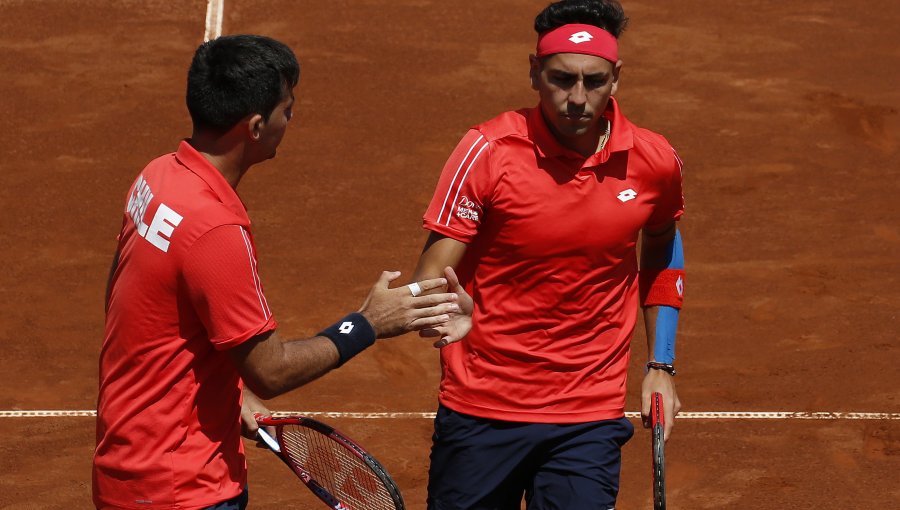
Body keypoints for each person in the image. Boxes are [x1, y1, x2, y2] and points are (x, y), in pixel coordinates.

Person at [92, 34, 460, 510]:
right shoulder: (216, 228)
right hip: (183, 487)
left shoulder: (157, 177)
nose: (292, 119)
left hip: (125, 469)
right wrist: (368, 323)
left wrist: (228, 392)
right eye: (288, 109)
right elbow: (271, 369)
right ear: (257, 125)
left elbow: (133, 302)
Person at [412, 1, 686, 508]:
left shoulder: (654, 162)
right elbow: (431, 275)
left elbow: (662, 246)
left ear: (616, 78)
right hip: (483, 406)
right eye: (561, 79)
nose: (578, 99)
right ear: (535, 72)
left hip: (588, 412)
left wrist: (661, 365)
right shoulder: (487, 152)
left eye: (594, 81)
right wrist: (442, 309)